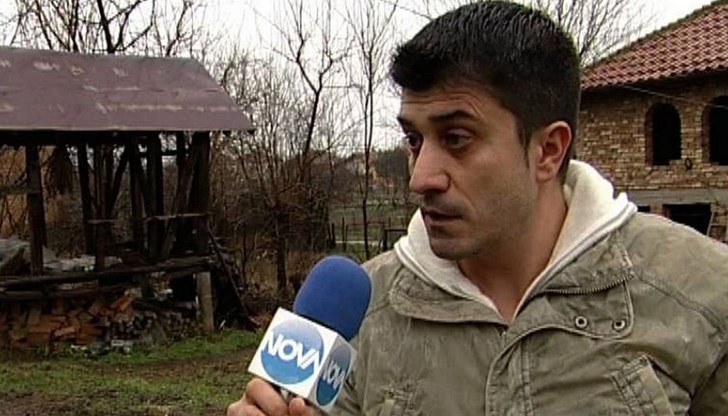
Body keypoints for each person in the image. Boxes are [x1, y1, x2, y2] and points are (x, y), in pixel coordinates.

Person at [228, 1, 728, 415]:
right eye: (413, 140)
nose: (420, 177)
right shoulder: (362, 313)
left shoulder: (704, 291)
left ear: (548, 150)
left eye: (457, 138)